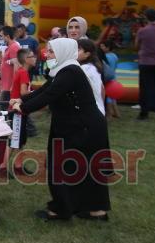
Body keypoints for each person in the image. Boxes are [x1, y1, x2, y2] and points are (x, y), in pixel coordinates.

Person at [11, 38, 111, 221]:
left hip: (83, 127)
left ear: (63, 52)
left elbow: (49, 95)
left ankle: (61, 210)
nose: (46, 55)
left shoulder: (70, 72)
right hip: (78, 125)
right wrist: (22, 101)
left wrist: (23, 109)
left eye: (51, 52)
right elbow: (44, 91)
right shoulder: (63, 71)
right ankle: (94, 210)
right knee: (81, 168)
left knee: (62, 167)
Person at [77, 38, 105, 115]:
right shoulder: (93, 67)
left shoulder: (84, 69)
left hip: (90, 112)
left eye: (78, 50)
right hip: (98, 110)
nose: (74, 52)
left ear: (87, 54)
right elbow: (102, 90)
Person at [0, 26, 20, 110]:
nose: (0, 38)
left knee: (3, 109)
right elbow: (7, 63)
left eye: (1, 36)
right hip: (6, 85)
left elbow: (16, 66)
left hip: (9, 85)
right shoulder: (9, 47)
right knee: (8, 109)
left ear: (7, 36)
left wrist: (14, 84)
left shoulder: (14, 47)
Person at [100, 40, 120, 118]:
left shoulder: (106, 57)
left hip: (108, 78)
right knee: (113, 97)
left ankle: (109, 113)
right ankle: (117, 113)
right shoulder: (115, 56)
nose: (101, 48)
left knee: (107, 97)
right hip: (114, 78)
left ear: (107, 48)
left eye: (102, 46)